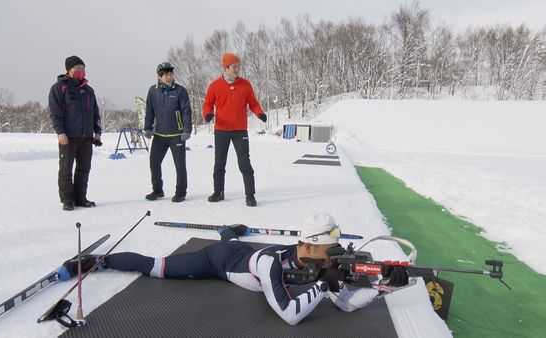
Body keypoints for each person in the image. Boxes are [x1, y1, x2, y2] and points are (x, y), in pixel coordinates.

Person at [59, 213, 409, 325]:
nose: (332, 255)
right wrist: (322, 283)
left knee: (232, 240)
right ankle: (97, 262)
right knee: (156, 267)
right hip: (217, 262)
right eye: (327, 249)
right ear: (307, 245)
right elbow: (289, 314)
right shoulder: (272, 262)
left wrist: (381, 286)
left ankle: (231, 231)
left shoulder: (321, 261)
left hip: (241, 249)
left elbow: (346, 302)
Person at [202, 53, 267, 207]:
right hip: (221, 130)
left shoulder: (245, 85)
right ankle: (218, 192)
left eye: (239, 66)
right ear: (226, 68)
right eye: (234, 66)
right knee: (219, 163)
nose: (238, 69)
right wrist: (208, 114)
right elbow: (207, 104)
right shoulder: (214, 85)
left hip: (240, 131)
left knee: (244, 162)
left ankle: (250, 195)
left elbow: (253, 102)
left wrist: (259, 113)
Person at [49, 55, 102, 211]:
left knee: (84, 168)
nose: (81, 71)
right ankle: (67, 200)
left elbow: (95, 113)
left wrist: (97, 132)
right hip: (68, 137)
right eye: (77, 68)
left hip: (86, 137)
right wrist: (60, 132)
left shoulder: (89, 90)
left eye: (83, 68)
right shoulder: (59, 88)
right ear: (69, 71)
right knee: (66, 169)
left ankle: (81, 198)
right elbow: (55, 113)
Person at [143, 62, 193, 202]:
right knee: (154, 162)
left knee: (180, 165)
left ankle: (181, 192)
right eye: (166, 74)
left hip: (177, 135)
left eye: (171, 74)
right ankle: (157, 190)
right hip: (159, 135)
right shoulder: (153, 91)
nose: (169, 76)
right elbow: (149, 111)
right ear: (160, 77)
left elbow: (186, 111)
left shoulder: (180, 91)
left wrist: (187, 129)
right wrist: (147, 127)